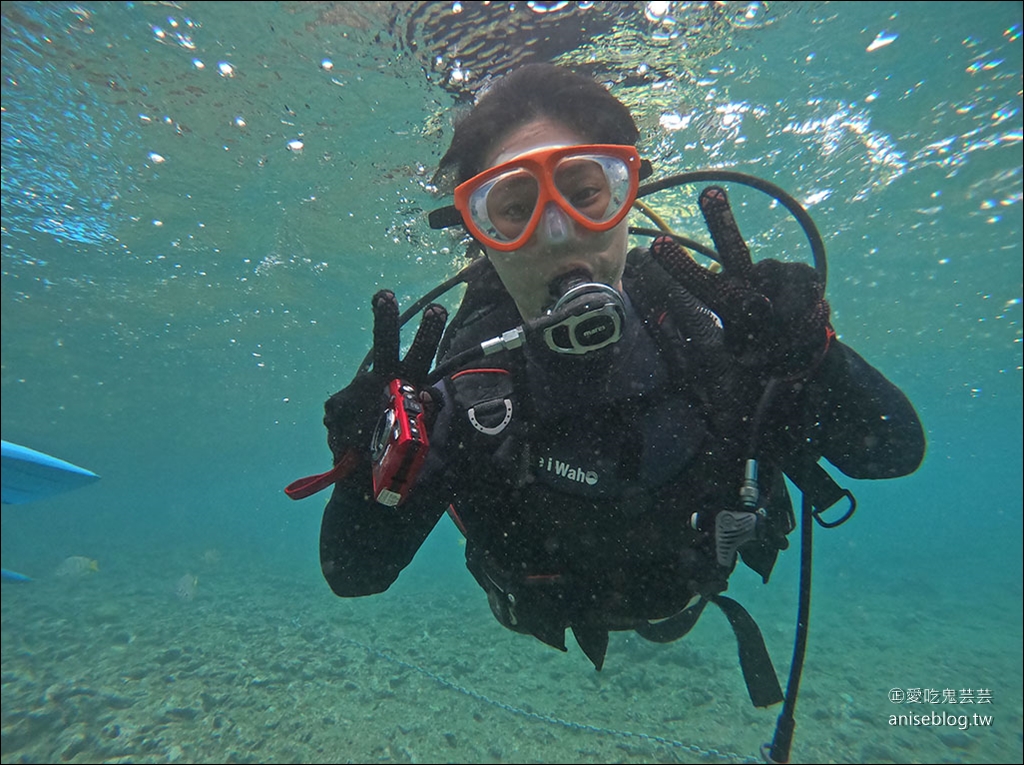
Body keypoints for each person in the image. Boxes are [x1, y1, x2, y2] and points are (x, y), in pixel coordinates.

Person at [305, 63, 925, 701]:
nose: (556, 230)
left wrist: (812, 360)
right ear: (479, 236)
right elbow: (354, 572)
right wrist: (363, 464)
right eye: (512, 209)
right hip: (544, 609)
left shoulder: (717, 334)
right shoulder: (464, 385)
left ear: (628, 194)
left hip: (690, 586)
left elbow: (895, 453)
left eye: (584, 190)